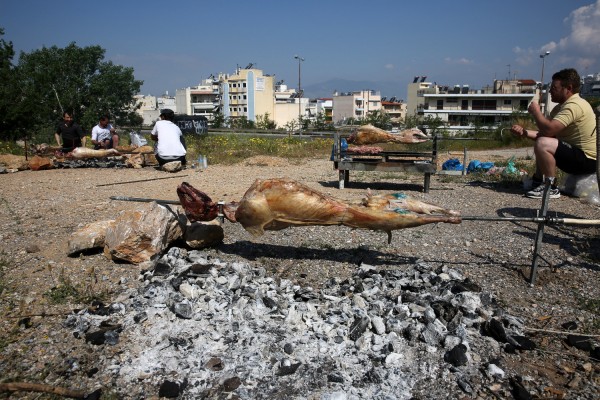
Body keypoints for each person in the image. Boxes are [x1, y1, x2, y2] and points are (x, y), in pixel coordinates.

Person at [510, 68, 597, 199]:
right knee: (543, 142)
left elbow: (548, 130)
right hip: (576, 156)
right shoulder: (560, 107)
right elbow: (547, 133)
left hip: (588, 160)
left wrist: (537, 112)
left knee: (543, 144)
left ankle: (550, 186)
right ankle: (538, 181)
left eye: (554, 88)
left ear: (568, 88)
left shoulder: (575, 105)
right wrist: (524, 132)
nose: (550, 91)